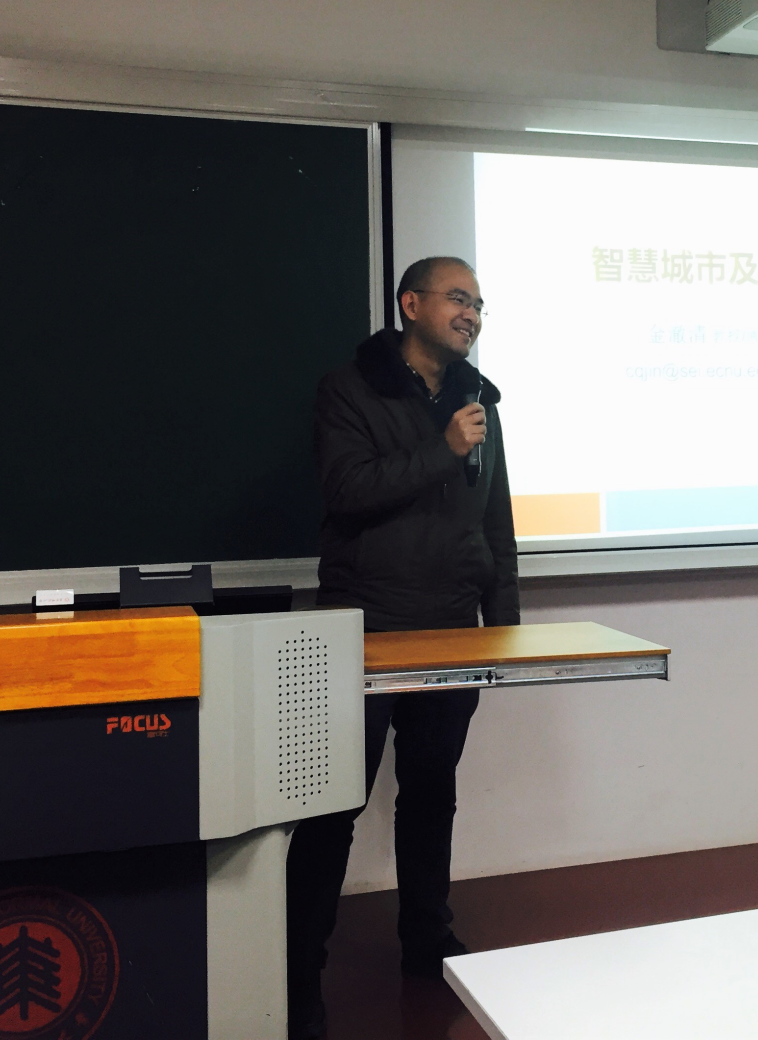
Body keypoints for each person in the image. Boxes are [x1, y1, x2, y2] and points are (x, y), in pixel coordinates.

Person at [285, 255, 519, 1039]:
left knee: (431, 793)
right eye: (458, 298)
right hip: (364, 628)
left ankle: (428, 941)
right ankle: (298, 973)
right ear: (410, 303)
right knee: (333, 807)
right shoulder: (349, 389)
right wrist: (441, 449)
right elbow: (347, 490)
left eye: (479, 303)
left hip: (452, 626)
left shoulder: (478, 400)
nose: (472, 314)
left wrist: (503, 625)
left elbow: (495, 522)